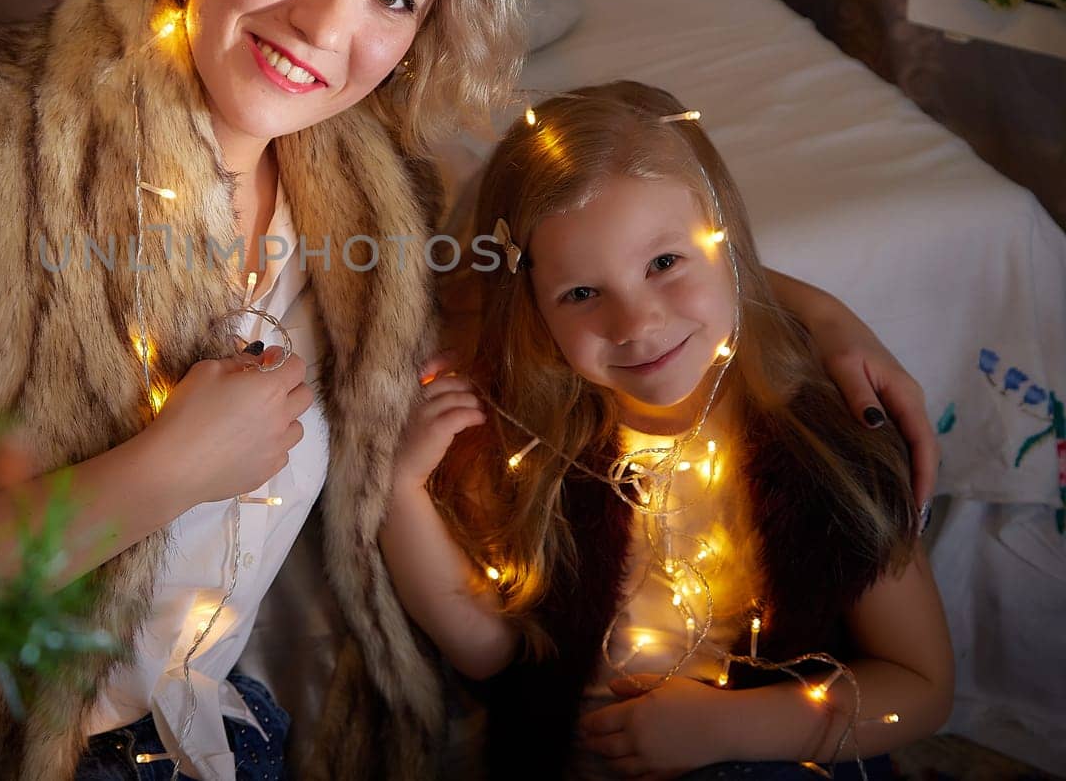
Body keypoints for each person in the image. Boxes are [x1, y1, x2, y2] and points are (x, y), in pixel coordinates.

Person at [0, 0, 940, 781]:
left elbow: (560, 264)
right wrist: (163, 469)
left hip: (224, 736)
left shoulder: (371, 208)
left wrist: (807, 308)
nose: (322, 23)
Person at [380, 81, 953, 780]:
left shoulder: (821, 446)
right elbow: (490, 654)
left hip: (775, 757)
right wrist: (400, 491)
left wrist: (727, 729)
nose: (637, 323)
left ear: (726, 245)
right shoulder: (525, 442)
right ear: (533, 309)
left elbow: (922, 687)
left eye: (664, 264)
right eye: (582, 294)